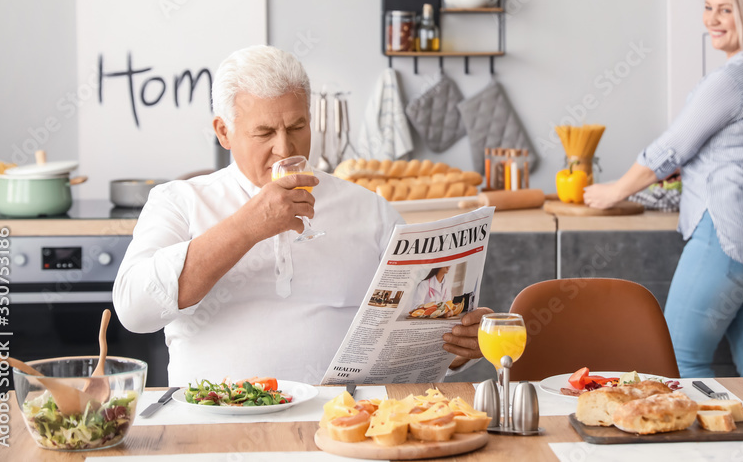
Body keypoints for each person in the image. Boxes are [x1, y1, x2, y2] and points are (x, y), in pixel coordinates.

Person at [113, 45, 489, 385]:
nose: (284, 148)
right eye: (264, 133)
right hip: (211, 424)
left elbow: (415, 328)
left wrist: (457, 347)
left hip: (343, 425)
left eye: (297, 127)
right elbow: (135, 311)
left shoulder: (369, 208)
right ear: (223, 132)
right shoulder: (178, 201)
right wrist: (247, 227)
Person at [584, 0, 743, 377]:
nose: (711, 19)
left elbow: (670, 149)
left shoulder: (733, 81)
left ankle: (704, 443)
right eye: (709, 7)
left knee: (677, 359)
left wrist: (614, 191)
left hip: (725, 238)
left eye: (725, 10)